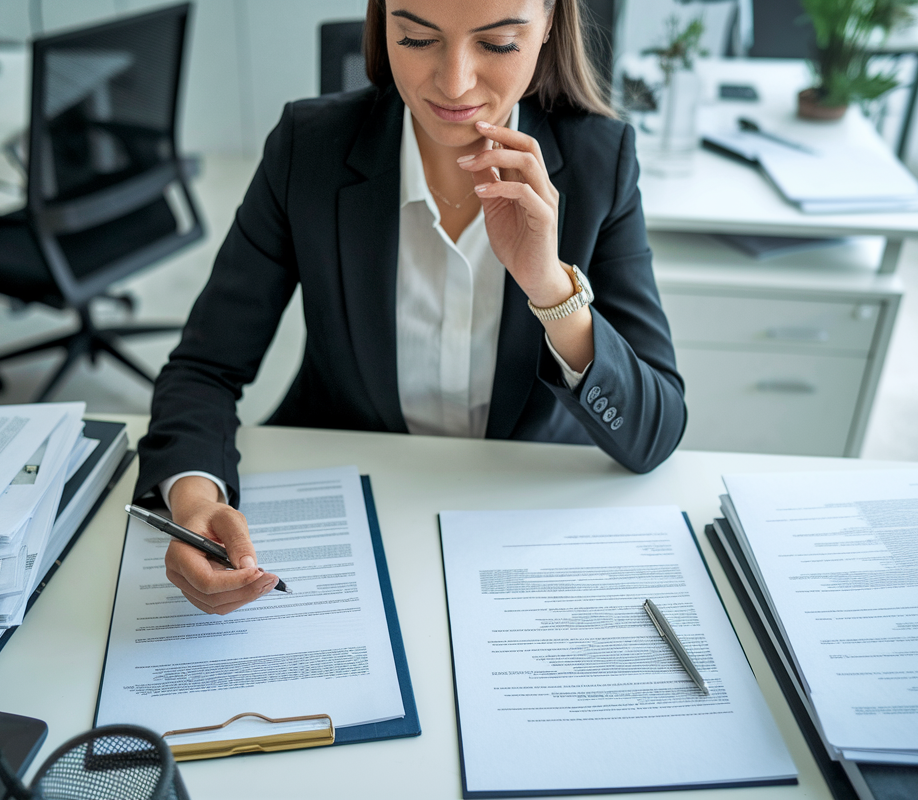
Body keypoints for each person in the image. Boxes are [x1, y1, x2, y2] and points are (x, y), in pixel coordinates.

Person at [136, 0, 686, 615]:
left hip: (518, 519)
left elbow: (655, 434)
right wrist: (193, 501)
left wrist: (551, 289)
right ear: (381, 26)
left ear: (550, 26)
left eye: (498, 44)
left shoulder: (598, 161)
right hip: (346, 513)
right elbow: (205, 368)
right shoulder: (308, 148)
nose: (453, 83)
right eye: (416, 39)